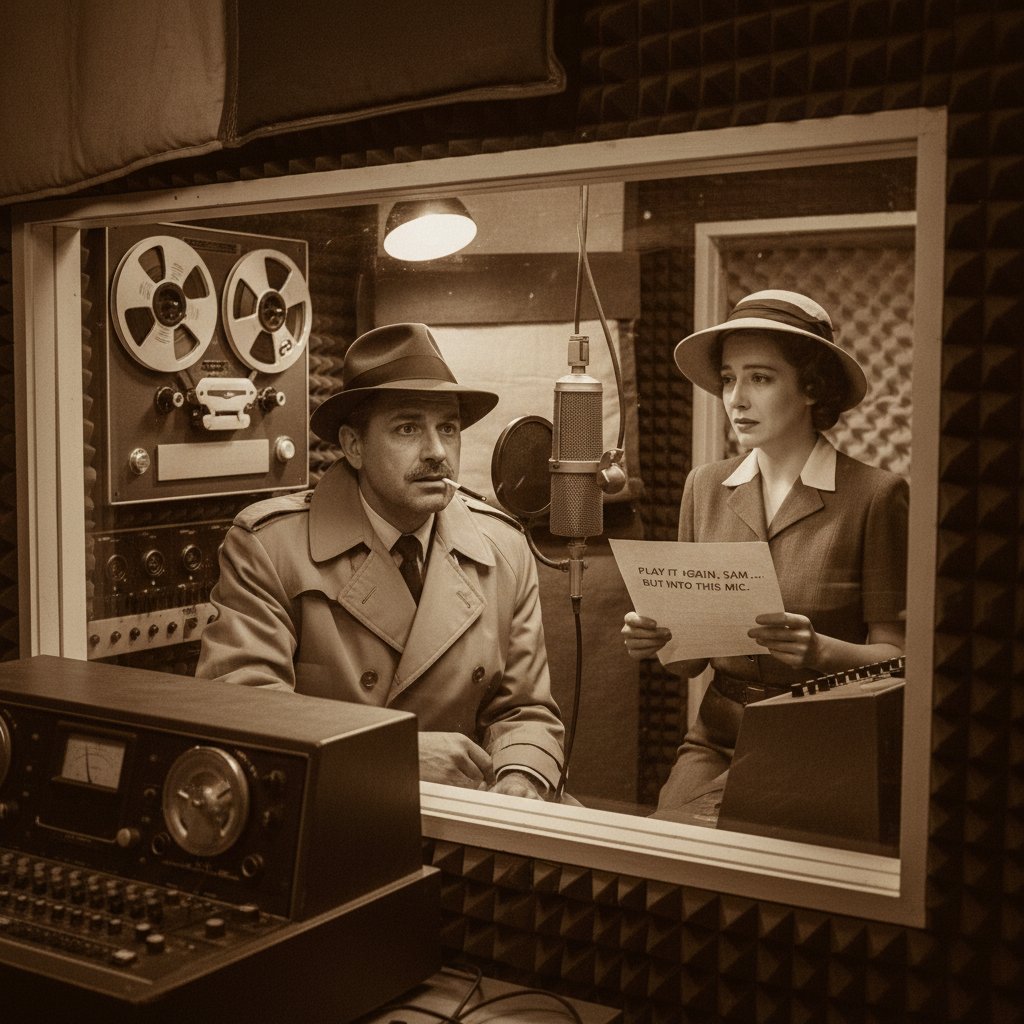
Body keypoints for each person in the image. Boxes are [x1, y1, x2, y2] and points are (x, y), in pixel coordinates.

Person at [197, 322, 564, 800]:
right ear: (354, 446)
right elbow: (241, 709)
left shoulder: (504, 549)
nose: (436, 452)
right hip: (331, 807)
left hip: (471, 811)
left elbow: (524, 711)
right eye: (408, 428)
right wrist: (396, 757)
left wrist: (521, 777)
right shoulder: (269, 547)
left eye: (447, 428)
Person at [621, 290, 908, 820]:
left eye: (760, 378)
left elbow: (899, 660)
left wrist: (820, 651)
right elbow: (687, 665)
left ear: (810, 388)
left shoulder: (877, 496)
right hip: (715, 736)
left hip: (819, 742)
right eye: (729, 379)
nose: (736, 398)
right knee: (664, 849)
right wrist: (657, 638)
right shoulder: (704, 486)